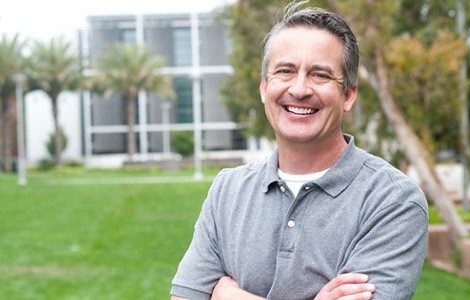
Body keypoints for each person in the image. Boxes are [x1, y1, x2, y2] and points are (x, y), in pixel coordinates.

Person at [171, 2, 428, 299]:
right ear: (265, 87)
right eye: (285, 71)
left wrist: (227, 295)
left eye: (320, 75)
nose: (300, 89)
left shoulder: (392, 200)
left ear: (348, 95)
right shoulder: (227, 189)